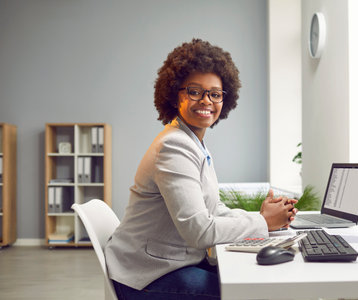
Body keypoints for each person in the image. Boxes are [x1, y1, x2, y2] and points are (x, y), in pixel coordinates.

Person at [104, 38, 298, 300]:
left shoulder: (193, 142)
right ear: (175, 95)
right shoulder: (174, 146)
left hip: (169, 263)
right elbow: (200, 231)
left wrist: (261, 218)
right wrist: (263, 222)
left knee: (249, 278)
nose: (206, 101)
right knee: (250, 291)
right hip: (149, 275)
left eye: (215, 94)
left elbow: (213, 209)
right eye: (195, 91)